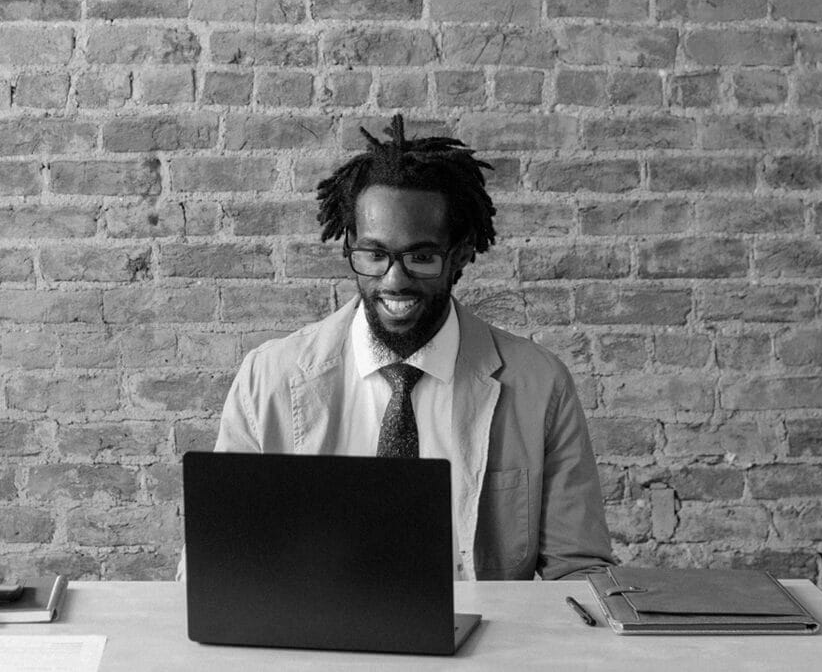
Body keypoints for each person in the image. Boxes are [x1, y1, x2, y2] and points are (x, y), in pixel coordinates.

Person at [211, 115, 614, 580]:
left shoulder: (539, 385)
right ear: (350, 249)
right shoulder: (269, 378)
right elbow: (219, 559)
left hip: (490, 646)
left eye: (421, 257)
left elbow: (579, 573)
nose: (394, 280)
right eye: (374, 255)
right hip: (316, 646)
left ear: (461, 253)